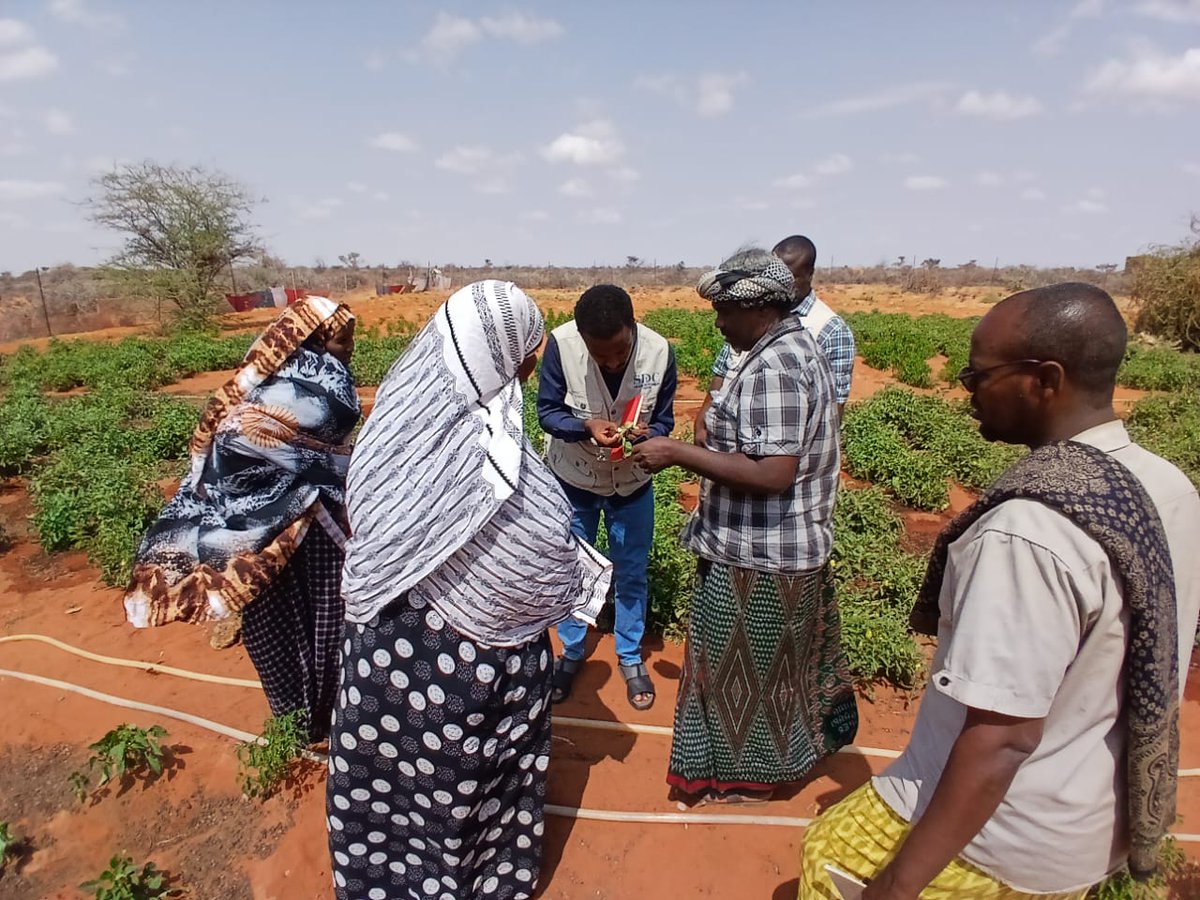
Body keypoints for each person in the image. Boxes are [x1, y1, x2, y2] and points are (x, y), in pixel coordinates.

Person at [800, 283, 1200, 899]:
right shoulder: (1168, 486)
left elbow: (1004, 737)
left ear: (1045, 379)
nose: (967, 390)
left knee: (829, 851)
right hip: (1091, 816)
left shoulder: (1025, 531)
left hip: (1005, 831)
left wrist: (898, 886)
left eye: (978, 375)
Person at [328, 281, 613, 900]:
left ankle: (381, 880)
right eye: (524, 356)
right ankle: (478, 879)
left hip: (381, 652)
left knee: (389, 783)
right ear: (498, 355)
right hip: (464, 671)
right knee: (464, 785)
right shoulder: (491, 457)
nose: (532, 367)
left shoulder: (395, 419)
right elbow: (537, 547)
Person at [633, 249, 858, 804]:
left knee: (746, 675)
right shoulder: (783, 349)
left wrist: (677, 454)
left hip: (761, 555)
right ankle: (753, 772)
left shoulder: (777, 365)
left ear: (759, 307)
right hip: (764, 548)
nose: (718, 323)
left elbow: (774, 473)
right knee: (758, 672)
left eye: (725, 312)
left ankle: (746, 782)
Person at [124, 296, 359, 742]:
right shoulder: (261, 403)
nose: (349, 350)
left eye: (350, 340)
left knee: (330, 624)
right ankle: (297, 720)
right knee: (280, 630)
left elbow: (329, 453)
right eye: (342, 340)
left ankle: (328, 715)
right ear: (309, 343)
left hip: (316, 527)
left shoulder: (324, 385)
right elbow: (259, 449)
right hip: (264, 539)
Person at [537, 284, 677, 711]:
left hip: (631, 483)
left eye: (620, 352)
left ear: (632, 327)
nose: (613, 361)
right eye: (601, 357)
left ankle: (630, 655)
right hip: (574, 478)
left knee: (631, 570)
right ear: (582, 339)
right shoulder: (561, 346)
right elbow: (547, 411)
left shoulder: (659, 351)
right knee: (574, 567)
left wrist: (651, 435)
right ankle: (573, 652)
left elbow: (666, 419)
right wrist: (585, 426)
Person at [695, 234, 856, 444]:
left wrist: (676, 453)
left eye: (790, 275)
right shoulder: (748, 329)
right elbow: (724, 370)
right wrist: (704, 421)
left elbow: (832, 409)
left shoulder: (826, 329)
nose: (719, 323)